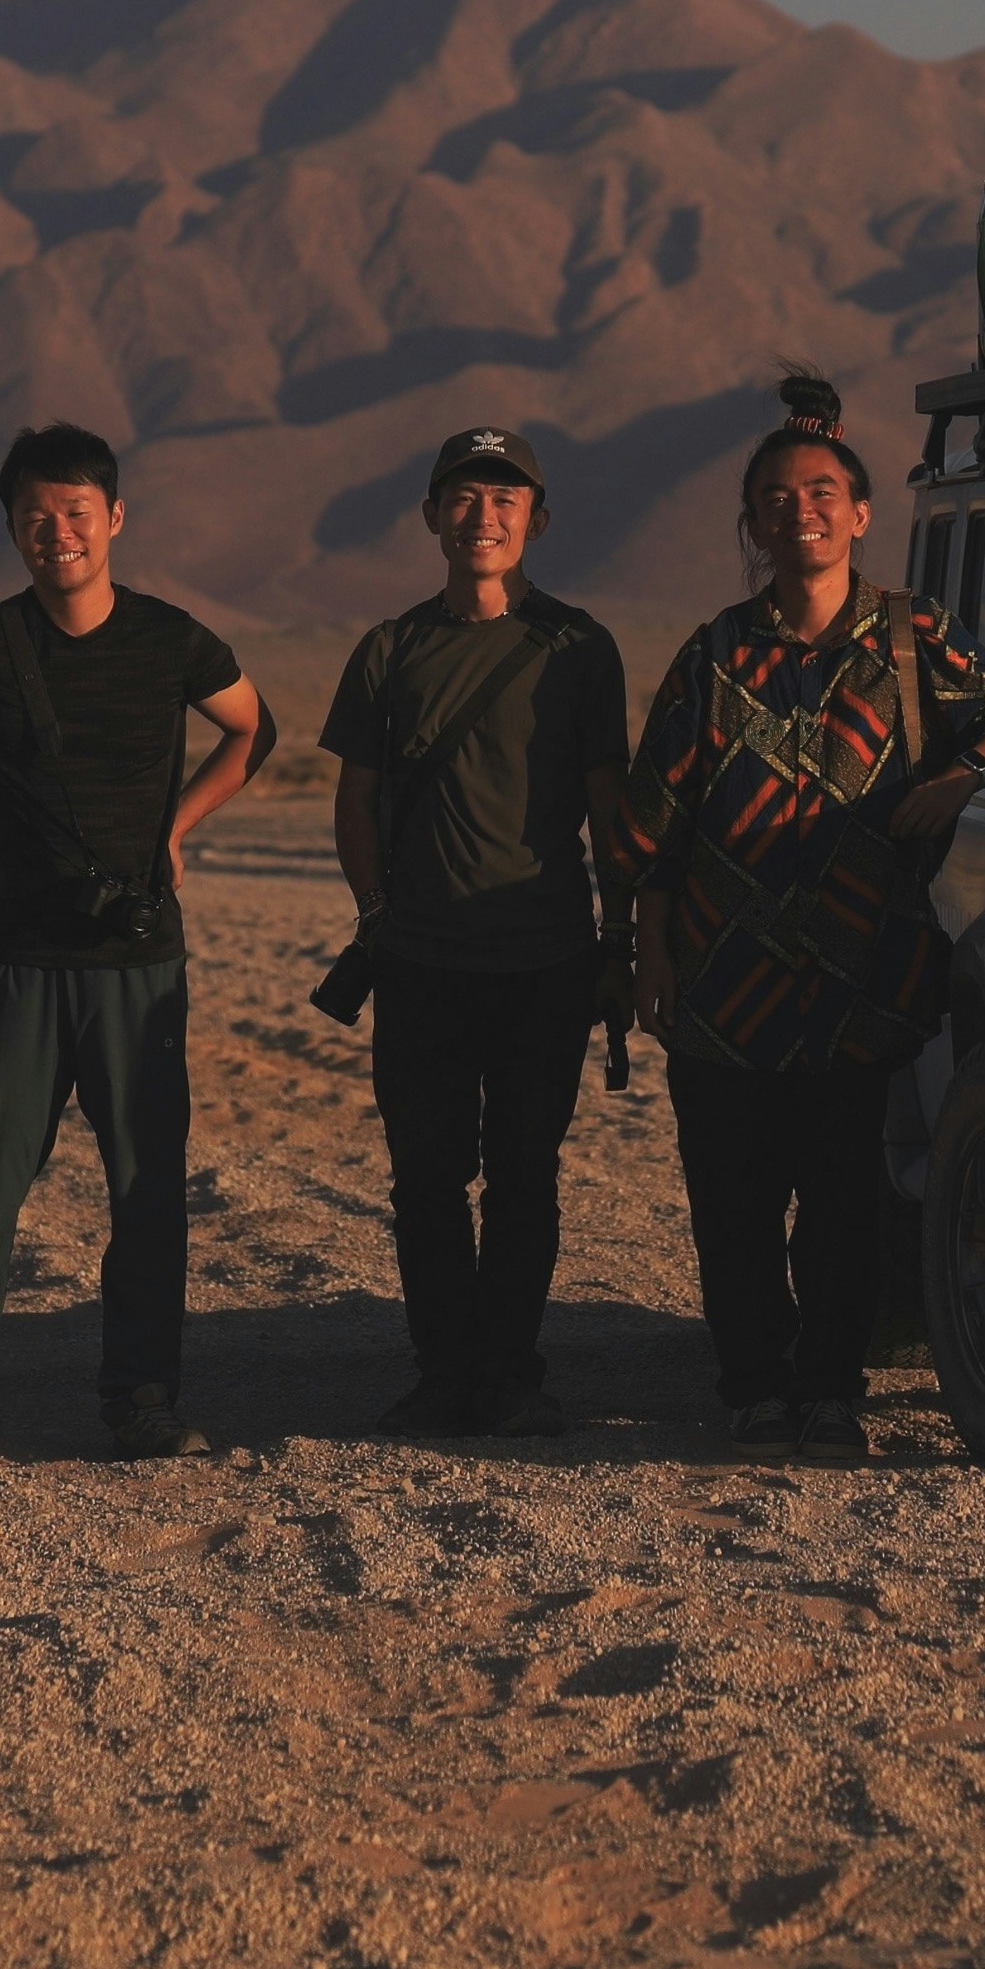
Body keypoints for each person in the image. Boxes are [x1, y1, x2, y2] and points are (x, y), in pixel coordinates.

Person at [621, 375, 985, 1465]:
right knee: (733, 1204)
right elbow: (652, 827)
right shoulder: (715, 653)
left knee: (843, 1207)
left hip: (860, 983)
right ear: (754, 524)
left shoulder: (913, 639)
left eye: (822, 490)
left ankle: (829, 1393)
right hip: (721, 988)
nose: (800, 508)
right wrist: (651, 951)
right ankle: (755, 1389)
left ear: (862, 514)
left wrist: (962, 775)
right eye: (776, 495)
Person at [0, 424, 274, 1469]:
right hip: (20, 957)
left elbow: (252, 727)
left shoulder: (169, 638)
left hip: (137, 965)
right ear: (12, 526)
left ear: (116, 517)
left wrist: (177, 826)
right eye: (36, 517)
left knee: (146, 1187)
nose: (58, 533)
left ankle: (140, 1394)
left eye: (77, 512)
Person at [319, 427, 633, 1439]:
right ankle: (443, 1370)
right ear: (430, 516)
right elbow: (355, 801)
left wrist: (620, 935)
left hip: (544, 959)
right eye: (463, 495)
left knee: (526, 1178)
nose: (483, 514)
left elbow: (608, 805)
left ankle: (511, 1371)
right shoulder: (391, 649)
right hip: (422, 962)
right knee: (425, 1178)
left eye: (505, 497)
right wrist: (375, 916)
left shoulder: (579, 647)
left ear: (535, 518)